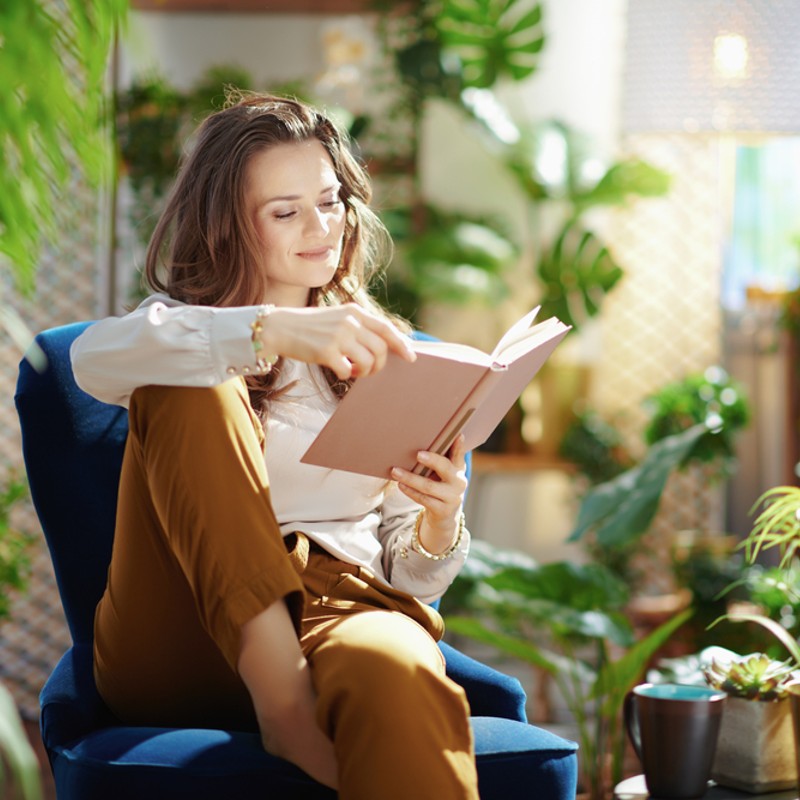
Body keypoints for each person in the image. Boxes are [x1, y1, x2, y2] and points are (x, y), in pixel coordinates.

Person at [71, 91, 479, 799]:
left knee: (397, 666)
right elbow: (86, 361)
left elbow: (407, 578)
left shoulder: (384, 353)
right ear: (229, 228)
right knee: (190, 380)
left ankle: (302, 690)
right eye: (286, 212)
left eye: (330, 201)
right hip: (181, 630)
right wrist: (268, 333)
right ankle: (284, 705)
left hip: (339, 609)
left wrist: (440, 523)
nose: (321, 227)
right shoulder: (184, 332)